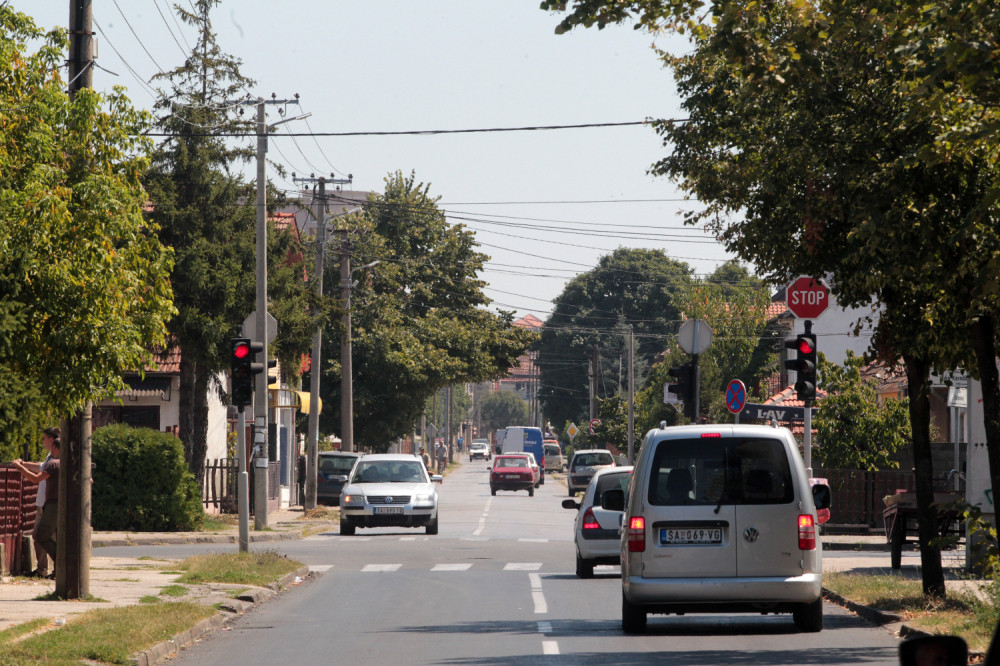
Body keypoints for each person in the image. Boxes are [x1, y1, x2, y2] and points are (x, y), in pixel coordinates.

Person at [12, 427, 60, 579]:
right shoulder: (56, 461)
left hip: (51, 505)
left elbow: (35, 478)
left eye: (44, 438)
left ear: (53, 444)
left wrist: (20, 467)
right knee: (50, 536)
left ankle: (58, 564)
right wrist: (25, 464)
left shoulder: (53, 462)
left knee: (40, 536)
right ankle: (50, 568)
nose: (42, 441)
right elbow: (40, 468)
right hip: (50, 504)